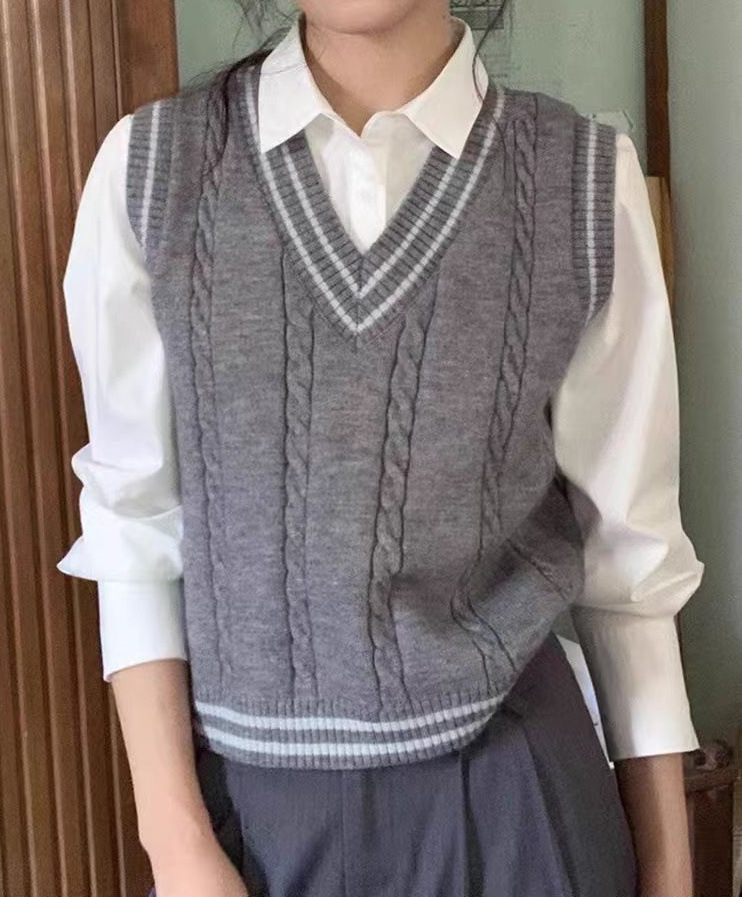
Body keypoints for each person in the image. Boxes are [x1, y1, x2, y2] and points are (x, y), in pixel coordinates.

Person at [56, 1, 705, 895]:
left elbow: (629, 565)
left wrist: (669, 868)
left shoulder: (583, 179)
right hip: (258, 820)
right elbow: (133, 524)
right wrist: (175, 843)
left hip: (520, 799)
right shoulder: (153, 170)